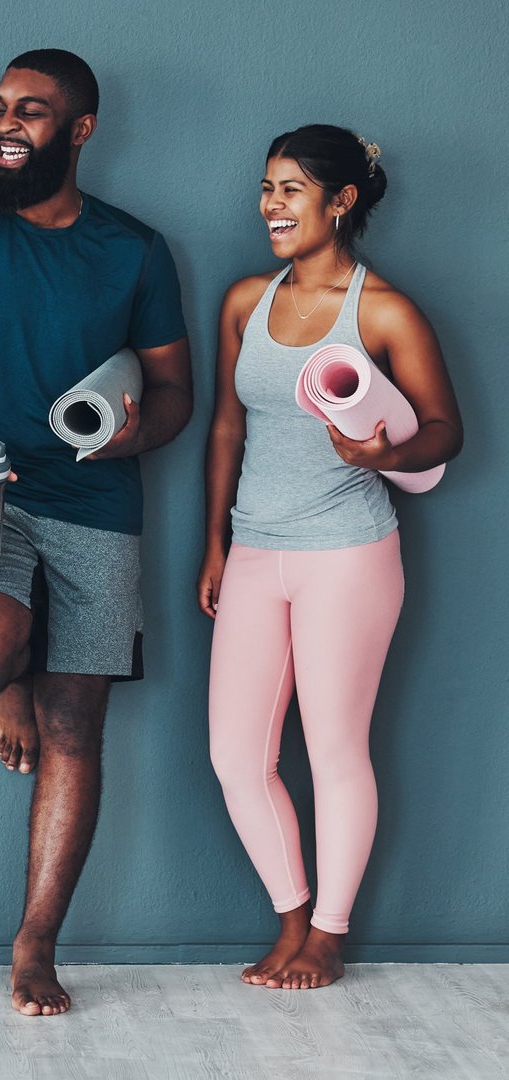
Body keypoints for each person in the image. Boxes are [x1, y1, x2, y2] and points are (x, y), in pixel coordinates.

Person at [0, 49, 192, 1015]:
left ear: (80, 129)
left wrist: (137, 429)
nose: (6, 125)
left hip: (100, 506)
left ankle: (32, 946)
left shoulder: (136, 251)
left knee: (77, 728)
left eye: (31, 110)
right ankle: (10, 668)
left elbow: (177, 390)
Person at [199, 124, 462, 990]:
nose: (270, 204)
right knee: (236, 757)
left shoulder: (382, 310)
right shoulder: (244, 300)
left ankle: (327, 935)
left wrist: (383, 457)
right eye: (265, 188)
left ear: (339, 201)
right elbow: (228, 425)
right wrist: (214, 542)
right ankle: (289, 917)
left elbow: (444, 431)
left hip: (348, 554)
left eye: (289, 190)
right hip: (254, 550)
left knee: (335, 750)